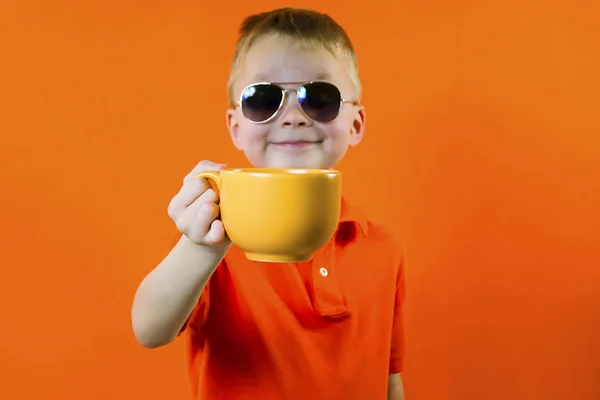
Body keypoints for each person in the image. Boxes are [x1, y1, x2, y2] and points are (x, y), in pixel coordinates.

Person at [131, 7, 407, 400]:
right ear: (236, 128)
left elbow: (389, 378)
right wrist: (199, 247)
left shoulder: (383, 248)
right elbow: (149, 329)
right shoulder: (215, 244)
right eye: (263, 98)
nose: (293, 116)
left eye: (320, 97)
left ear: (356, 124)